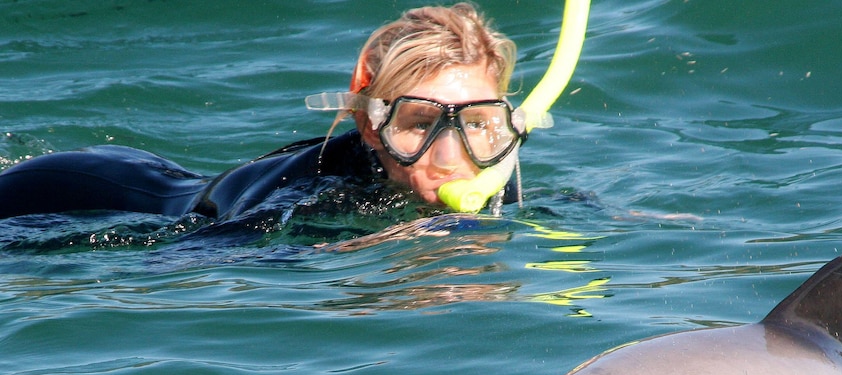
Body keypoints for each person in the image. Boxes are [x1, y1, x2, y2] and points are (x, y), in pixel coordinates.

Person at [0, 3, 520, 229]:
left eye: (477, 123)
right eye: (420, 124)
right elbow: (186, 260)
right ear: (372, 128)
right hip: (83, 191)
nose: (453, 159)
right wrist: (356, 246)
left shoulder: (500, 176)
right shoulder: (317, 194)